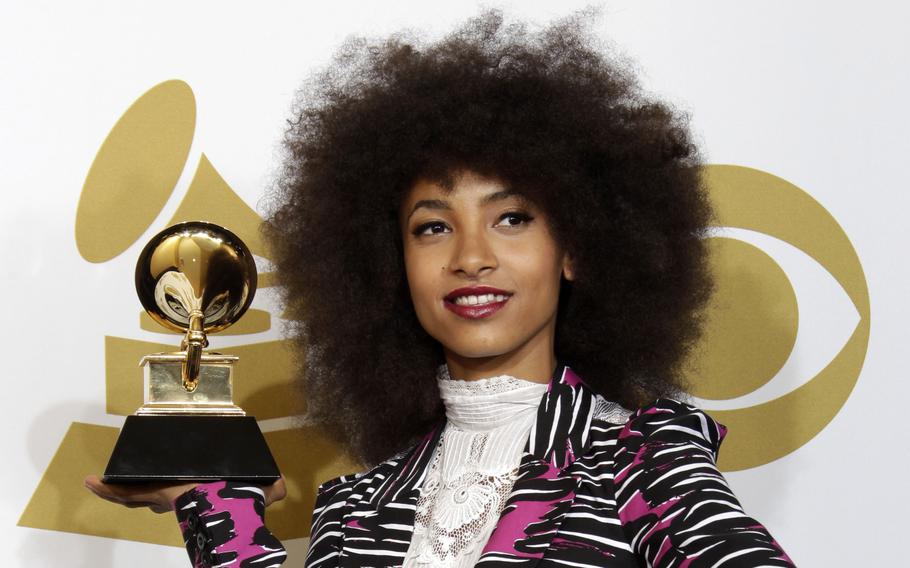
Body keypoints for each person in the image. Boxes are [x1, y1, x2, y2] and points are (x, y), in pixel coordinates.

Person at [86, 11, 795, 567]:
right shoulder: (355, 505)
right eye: (432, 228)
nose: (472, 257)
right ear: (389, 261)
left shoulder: (639, 458)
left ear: (574, 249)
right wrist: (210, 503)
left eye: (511, 218)